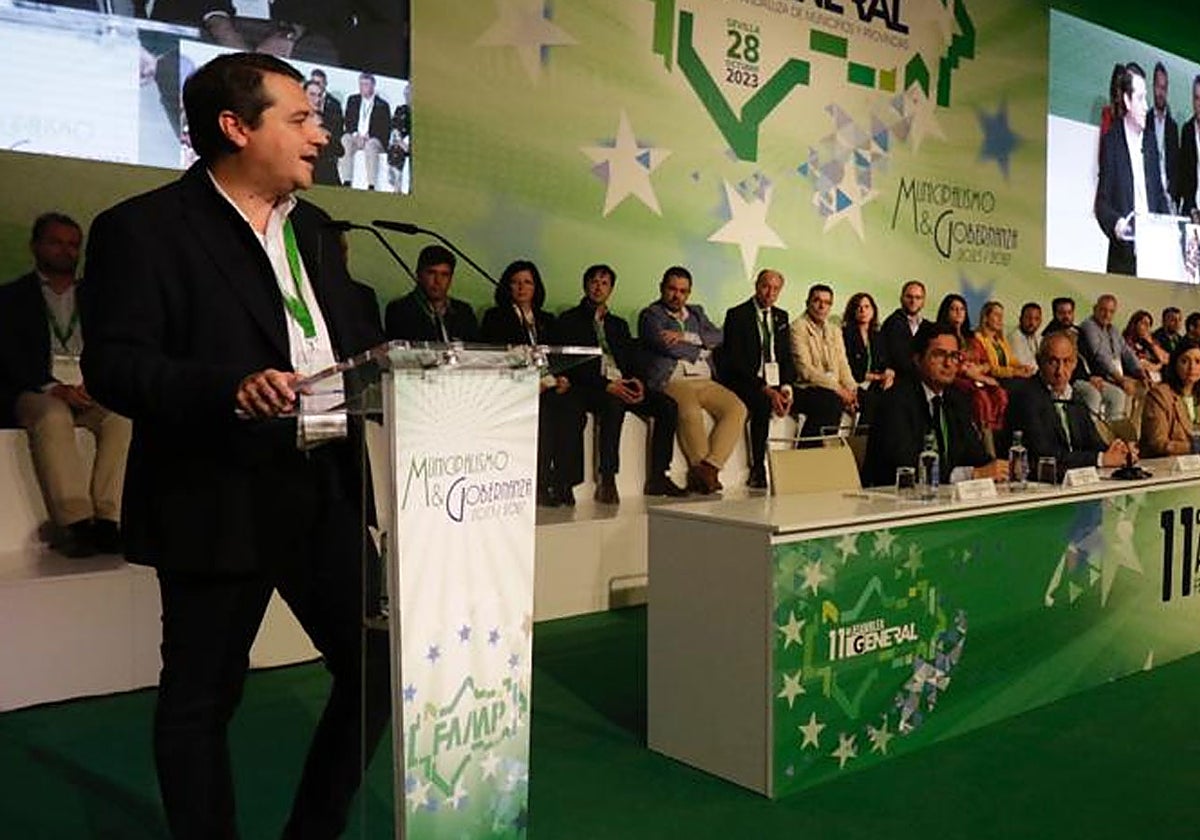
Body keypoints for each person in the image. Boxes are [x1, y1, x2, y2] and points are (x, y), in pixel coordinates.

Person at [79, 52, 390, 840]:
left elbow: (352, 345)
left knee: (381, 670)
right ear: (234, 127)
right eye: (301, 118)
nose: (322, 134)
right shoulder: (142, 229)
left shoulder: (316, 231)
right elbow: (114, 364)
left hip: (327, 490)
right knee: (201, 701)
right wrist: (228, 387)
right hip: (219, 495)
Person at [0, 213, 132, 558]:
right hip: (37, 390)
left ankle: (109, 520)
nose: (65, 250)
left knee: (122, 417)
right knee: (53, 414)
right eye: (55, 242)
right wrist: (53, 387)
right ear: (35, 246)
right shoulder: (11, 298)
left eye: (73, 244)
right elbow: (8, 357)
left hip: (91, 388)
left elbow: (113, 345)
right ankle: (76, 523)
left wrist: (97, 382)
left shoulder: (98, 297)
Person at [556, 264, 687, 502]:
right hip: (592, 386)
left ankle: (659, 476)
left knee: (668, 406)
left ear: (611, 289)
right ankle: (608, 478)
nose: (598, 287)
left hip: (621, 383)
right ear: (585, 285)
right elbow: (573, 365)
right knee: (613, 404)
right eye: (594, 282)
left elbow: (632, 359)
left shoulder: (618, 324)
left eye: (604, 283)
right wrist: (606, 384)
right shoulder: (569, 320)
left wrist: (637, 381)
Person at [480, 259, 584, 506]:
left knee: (574, 410)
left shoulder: (546, 318)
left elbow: (558, 355)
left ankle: (564, 482)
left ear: (536, 287)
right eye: (515, 282)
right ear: (506, 287)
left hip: (548, 384)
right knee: (544, 414)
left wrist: (563, 378)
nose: (521, 288)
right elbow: (494, 357)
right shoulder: (495, 317)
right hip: (516, 385)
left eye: (527, 282)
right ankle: (539, 483)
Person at [638, 266, 746, 495]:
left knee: (737, 408)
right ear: (661, 288)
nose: (677, 295)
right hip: (673, 379)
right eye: (672, 289)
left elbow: (719, 336)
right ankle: (702, 470)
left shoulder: (696, 313)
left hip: (705, 380)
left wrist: (686, 336)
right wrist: (701, 350)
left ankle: (708, 468)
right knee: (690, 412)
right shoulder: (651, 315)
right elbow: (663, 345)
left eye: (683, 291)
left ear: (689, 293)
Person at [862, 322, 1007, 488]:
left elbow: (974, 452)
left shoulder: (957, 399)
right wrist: (971, 474)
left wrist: (998, 469)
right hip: (893, 500)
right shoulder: (895, 401)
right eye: (939, 355)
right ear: (917, 359)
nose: (948, 363)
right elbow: (905, 465)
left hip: (942, 499)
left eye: (954, 356)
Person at [1006, 333, 1134, 477]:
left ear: (1074, 364)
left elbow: (1093, 442)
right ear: (1039, 361)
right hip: (1040, 483)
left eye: (1066, 361)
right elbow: (1045, 455)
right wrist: (1101, 459)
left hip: (1075, 481)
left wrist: (1119, 452)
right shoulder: (1026, 397)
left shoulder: (1075, 397)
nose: (1060, 371)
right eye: (1053, 362)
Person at [720, 269, 796, 489]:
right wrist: (766, 389)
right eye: (765, 286)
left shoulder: (782, 316)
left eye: (775, 289)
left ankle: (800, 467)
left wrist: (786, 388)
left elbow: (785, 356)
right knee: (762, 404)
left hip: (775, 380)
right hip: (746, 380)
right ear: (756, 285)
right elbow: (735, 362)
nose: (769, 292)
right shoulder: (737, 314)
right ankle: (758, 469)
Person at [1094, 62, 1170, 276]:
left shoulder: (1150, 141)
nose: (1147, 106)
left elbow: (1158, 195)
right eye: (1140, 98)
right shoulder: (1112, 142)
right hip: (1124, 258)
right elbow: (1102, 204)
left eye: (1146, 97)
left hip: (1155, 253)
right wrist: (1119, 225)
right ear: (1127, 100)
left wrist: (1172, 227)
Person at [790, 283, 857, 437]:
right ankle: (810, 453)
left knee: (869, 401)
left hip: (832, 388)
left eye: (827, 303)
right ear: (807, 303)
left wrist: (852, 391)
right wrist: (839, 390)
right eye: (817, 301)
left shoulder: (834, 330)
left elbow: (843, 364)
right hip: (805, 388)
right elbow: (806, 371)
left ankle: (858, 456)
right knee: (831, 402)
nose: (822, 306)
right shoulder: (797, 328)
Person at [936, 294, 1007, 433]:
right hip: (956, 378)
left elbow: (987, 363)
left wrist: (979, 369)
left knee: (1000, 394)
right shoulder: (941, 336)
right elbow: (955, 365)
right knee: (981, 398)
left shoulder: (971, 337)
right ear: (946, 312)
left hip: (977, 377)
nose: (958, 312)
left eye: (962, 309)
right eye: (954, 309)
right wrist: (976, 375)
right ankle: (983, 440)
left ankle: (996, 437)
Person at [384, 244, 479, 343]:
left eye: (444, 275)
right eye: (431, 273)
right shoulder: (399, 309)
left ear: (451, 278)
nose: (438, 280)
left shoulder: (464, 311)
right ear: (419, 274)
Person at [1078, 294, 1145, 420]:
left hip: (1117, 375)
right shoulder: (1088, 326)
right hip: (1102, 374)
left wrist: (1140, 371)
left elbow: (1127, 352)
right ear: (1094, 309)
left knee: (1145, 388)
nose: (1107, 315)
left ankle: (1133, 432)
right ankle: (1114, 432)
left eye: (1111, 311)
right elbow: (1100, 355)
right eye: (1103, 310)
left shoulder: (1113, 329)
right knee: (1126, 391)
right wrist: (1120, 379)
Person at [841, 291, 894, 426]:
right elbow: (850, 368)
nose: (863, 310)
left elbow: (885, 362)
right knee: (873, 402)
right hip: (854, 383)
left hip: (875, 384)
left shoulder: (878, 335)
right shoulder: (846, 333)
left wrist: (888, 374)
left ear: (873, 310)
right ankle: (861, 443)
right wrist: (877, 377)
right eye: (858, 307)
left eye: (867, 306)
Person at [1141, 338, 1200, 457]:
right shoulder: (1159, 395)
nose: (1192, 367)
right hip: (1165, 466)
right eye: (1185, 361)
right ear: (1175, 364)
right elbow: (1158, 443)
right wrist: (1194, 447)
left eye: (1198, 362)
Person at [338, 72, 390, 189]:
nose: (363, 87)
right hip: (356, 137)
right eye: (361, 84)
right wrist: (356, 135)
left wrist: (369, 136)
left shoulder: (382, 105)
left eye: (366, 84)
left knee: (371, 145)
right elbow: (348, 121)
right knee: (345, 139)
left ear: (373, 86)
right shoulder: (352, 100)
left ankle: (371, 184)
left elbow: (385, 129)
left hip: (373, 139)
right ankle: (346, 180)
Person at [975, 301, 1035, 386]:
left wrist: (1022, 367)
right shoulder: (978, 338)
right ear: (986, 317)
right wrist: (1014, 372)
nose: (1000, 319)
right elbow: (991, 368)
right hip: (992, 381)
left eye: (1001, 316)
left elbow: (1011, 360)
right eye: (996, 315)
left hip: (1006, 378)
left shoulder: (1000, 340)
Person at [879, 280, 928, 378]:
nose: (913, 301)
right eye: (909, 297)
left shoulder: (927, 326)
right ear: (901, 298)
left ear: (923, 301)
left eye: (918, 298)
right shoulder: (892, 323)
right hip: (897, 381)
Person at [303, 78, 342, 186]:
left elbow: (340, 150)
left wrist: (322, 127)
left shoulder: (329, 119)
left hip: (326, 174)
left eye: (319, 95)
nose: (317, 99)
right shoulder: (296, 118)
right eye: (312, 95)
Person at [1151, 62, 1180, 207]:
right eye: (1158, 86)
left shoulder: (1173, 127)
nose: (1161, 92)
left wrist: (1172, 194)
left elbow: (1176, 166)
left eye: (1164, 88)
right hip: (1149, 192)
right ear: (1152, 87)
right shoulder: (1145, 121)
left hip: (1169, 197)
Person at [1122, 309, 1169, 382]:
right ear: (1135, 324)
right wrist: (1159, 366)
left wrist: (1151, 343)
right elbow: (1140, 365)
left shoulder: (1149, 341)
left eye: (1149, 324)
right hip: (1137, 377)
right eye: (1144, 323)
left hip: (1156, 377)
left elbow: (1166, 359)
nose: (1147, 327)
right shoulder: (1127, 341)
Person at [1178, 75, 1200, 215]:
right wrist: (1191, 208)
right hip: (1191, 212)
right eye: (1196, 98)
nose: (1199, 103)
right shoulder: (1187, 131)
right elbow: (1184, 175)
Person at [1008, 301, 1042, 369]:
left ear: (1040, 321)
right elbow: (1024, 366)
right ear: (1020, 319)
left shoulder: (1038, 337)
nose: (1032, 323)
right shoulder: (1014, 338)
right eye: (1028, 318)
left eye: (1036, 319)